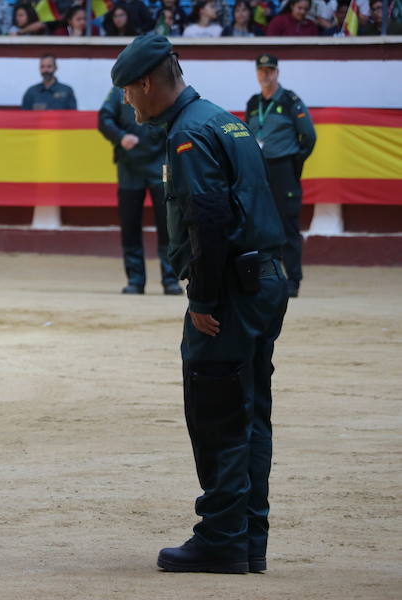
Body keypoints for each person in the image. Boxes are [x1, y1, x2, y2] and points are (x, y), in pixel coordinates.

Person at [111, 33, 289, 574]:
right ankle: (246, 539)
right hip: (264, 281)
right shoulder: (223, 118)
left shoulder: (188, 135)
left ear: (146, 83)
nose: (127, 104)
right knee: (251, 415)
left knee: (219, 415)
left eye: (127, 92)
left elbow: (208, 220)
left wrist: (203, 299)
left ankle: (222, 538)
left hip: (230, 291)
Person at [243, 54, 316, 297]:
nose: (266, 74)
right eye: (261, 70)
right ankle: (268, 278)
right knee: (259, 226)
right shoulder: (253, 103)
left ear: (277, 73)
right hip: (259, 172)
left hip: (283, 168)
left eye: (270, 70)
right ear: (256, 73)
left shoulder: (290, 100)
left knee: (287, 227)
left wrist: (293, 162)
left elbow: (309, 137)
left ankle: (293, 280)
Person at [98, 86, 182, 295]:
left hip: (162, 166)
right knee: (130, 224)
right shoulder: (118, 92)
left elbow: (178, 121)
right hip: (129, 167)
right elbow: (104, 120)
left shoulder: (161, 87)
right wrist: (120, 137)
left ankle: (170, 280)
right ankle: (135, 280)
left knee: (168, 223)